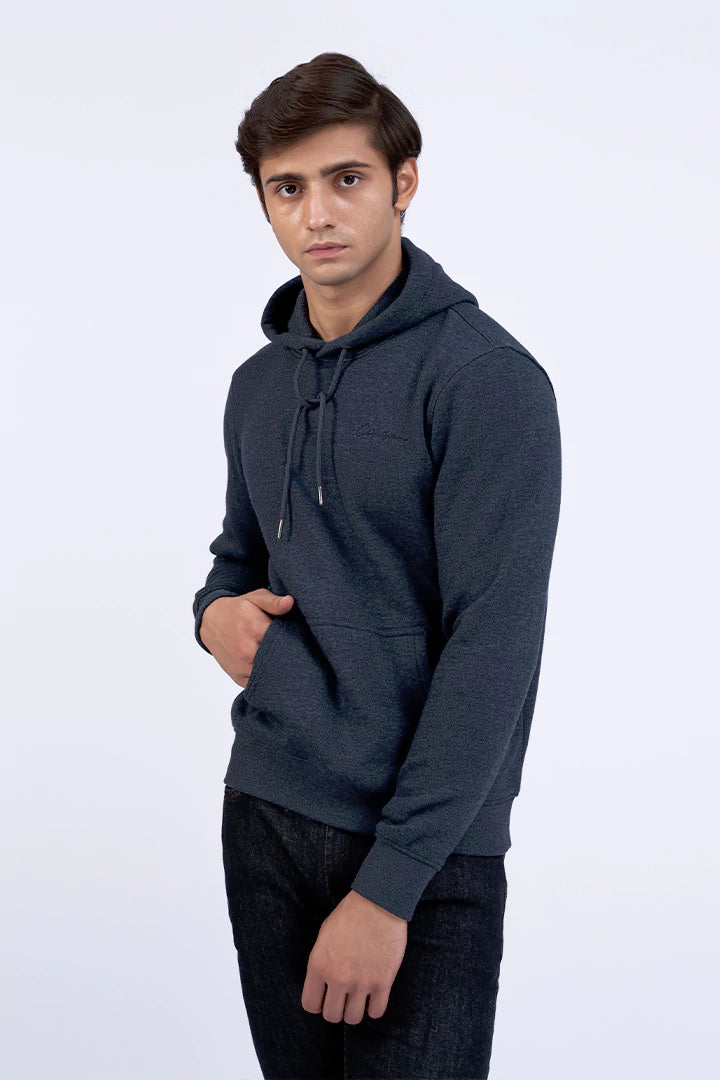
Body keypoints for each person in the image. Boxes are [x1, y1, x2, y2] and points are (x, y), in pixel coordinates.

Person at [192, 51, 562, 1080]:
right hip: (267, 814)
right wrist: (211, 612)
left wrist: (388, 888)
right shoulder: (257, 386)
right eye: (288, 188)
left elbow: (493, 652)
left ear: (404, 182)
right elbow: (237, 557)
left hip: (428, 851)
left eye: (346, 178)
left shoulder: (487, 382)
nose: (317, 213)